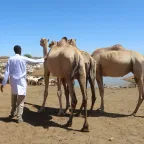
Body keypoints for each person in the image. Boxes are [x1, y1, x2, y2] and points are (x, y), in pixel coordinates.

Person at [0, 45, 44, 123]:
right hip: (21, 82)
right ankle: (19, 117)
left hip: (13, 82)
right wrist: (45, 58)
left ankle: (12, 113)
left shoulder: (10, 59)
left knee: (13, 99)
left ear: (14, 51)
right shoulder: (23, 58)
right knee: (21, 101)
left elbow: (7, 73)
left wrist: (3, 84)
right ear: (20, 50)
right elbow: (35, 61)